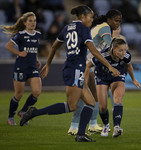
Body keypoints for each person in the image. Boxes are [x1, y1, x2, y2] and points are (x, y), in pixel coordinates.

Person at [20, 5, 120, 142]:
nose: (92, 20)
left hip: (73, 68)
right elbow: (94, 50)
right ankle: (34, 112)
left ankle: (80, 134)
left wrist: (48, 63)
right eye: (90, 17)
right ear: (83, 17)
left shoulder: (67, 28)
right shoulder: (83, 29)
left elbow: (55, 45)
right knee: (71, 106)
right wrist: (109, 66)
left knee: (90, 103)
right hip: (75, 69)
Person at [68, 9, 122, 135]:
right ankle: (74, 127)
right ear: (108, 20)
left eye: (119, 21)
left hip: (90, 62)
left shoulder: (102, 27)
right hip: (84, 62)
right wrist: (124, 56)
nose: (118, 23)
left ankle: (92, 125)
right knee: (83, 94)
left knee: (94, 94)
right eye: (115, 20)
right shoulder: (105, 28)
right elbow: (111, 47)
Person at [85, 38, 141, 137]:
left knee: (118, 99)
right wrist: (85, 82)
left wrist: (133, 79)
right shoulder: (102, 55)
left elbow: (129, 66)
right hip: (102, 76)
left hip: (118, 75)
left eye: (125, 50)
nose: (123, 53)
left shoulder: (126, 55)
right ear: (113, 49)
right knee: (102, 106)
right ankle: (106, 125)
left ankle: (116, 128)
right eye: (121, 50)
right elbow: (88, 65)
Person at [1, 12, 42, 125]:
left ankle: (23, 111)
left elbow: (34, 50)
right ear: (24, 23)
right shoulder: (20, 35)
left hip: (32, 67)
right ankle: (10, 117)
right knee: (19, 94)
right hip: (21, 67)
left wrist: (37, 59)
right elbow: (8, 46)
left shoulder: (38, 34)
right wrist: (19, 52)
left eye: (34, 20)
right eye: (30, 21)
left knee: (37, 91)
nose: (33, 23)